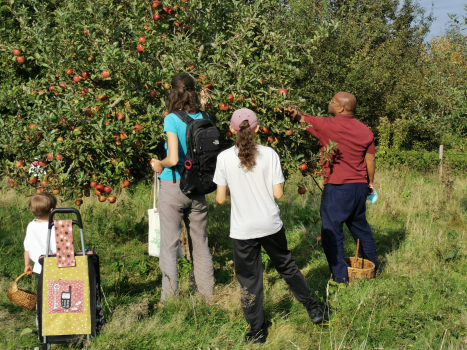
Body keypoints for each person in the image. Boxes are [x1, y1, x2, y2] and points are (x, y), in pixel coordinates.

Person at [213, 108, 324, 344]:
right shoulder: (270, 154)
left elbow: (220, 199)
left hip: (243, 229)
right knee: (287, 267)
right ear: (256, 128)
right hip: (270, 224)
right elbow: (279, 194)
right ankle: (313, 309)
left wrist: (236, 186)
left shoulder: (223, 158)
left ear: (232, 129)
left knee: (249, 279)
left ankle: (257, 331)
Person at [286, 92, 378, 283]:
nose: (329, 103)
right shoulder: (365, 130)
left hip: (337, 188)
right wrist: (370, 182)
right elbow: (370, 159)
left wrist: (282, 106)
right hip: (359, 187)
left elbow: (299, 118)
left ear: (341, 108)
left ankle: (341, 277)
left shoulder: (326, 125)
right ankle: (372, 267)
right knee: (360, 228)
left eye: (332, 102)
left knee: (332, 233)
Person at [150, 73, 214, 302]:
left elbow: (173, 157)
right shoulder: (204, 116)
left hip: (174, 184)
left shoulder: (171, 119)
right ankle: (207, 296)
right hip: (198, 187)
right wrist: (202, 103)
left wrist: (159, 163)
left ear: (173, 93)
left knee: (168, 244)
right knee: (201, 242)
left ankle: (169, 299)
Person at [24, 192, 57, 278]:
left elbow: (27, 248)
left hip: (38, 269)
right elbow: (57, 249)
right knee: (55, 291)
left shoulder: (31, 225)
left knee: (42, 290)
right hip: (53, 268)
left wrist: (27, 264)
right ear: (52, 210)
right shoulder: (53, 227)